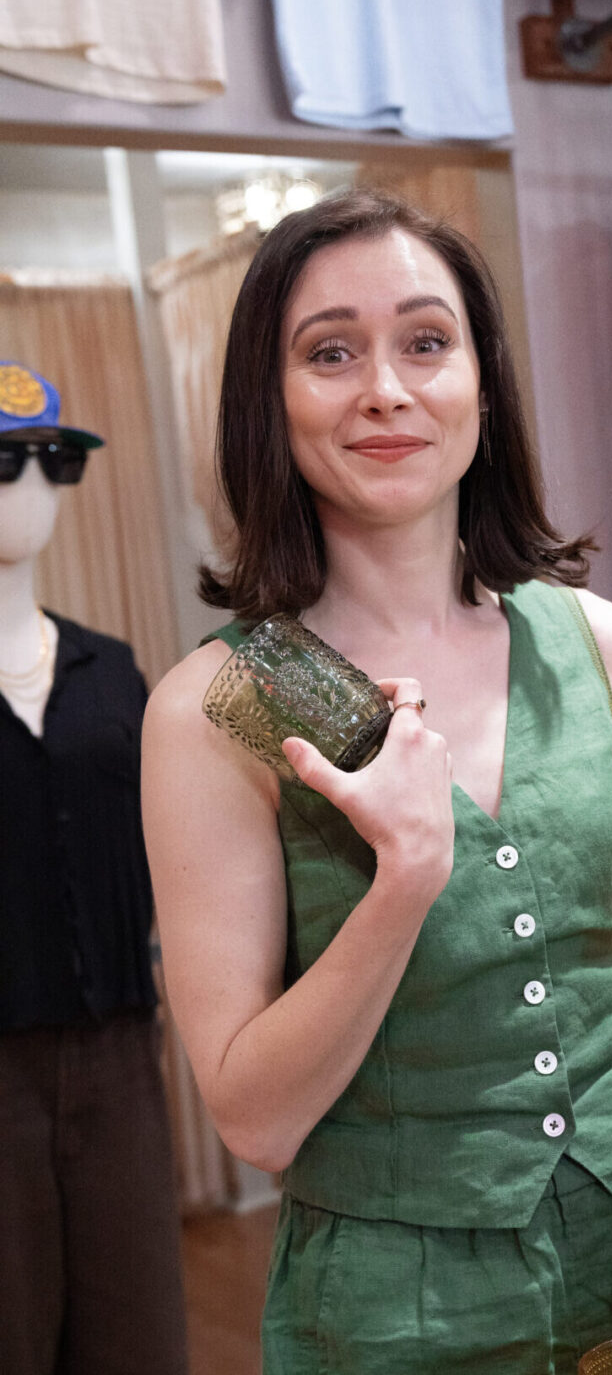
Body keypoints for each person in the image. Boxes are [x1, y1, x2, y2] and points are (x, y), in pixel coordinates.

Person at [142, 189, 612, 1374]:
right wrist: (403, 880)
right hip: (402, 1315)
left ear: (482, 387)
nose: (386, 389)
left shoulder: (599, 642)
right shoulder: (219, 707)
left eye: (426, 342)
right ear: (272, 401)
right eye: (330, 352)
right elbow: (252, 1118)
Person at [0, 362, 188, 1375]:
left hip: (120, 1055)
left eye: (52, 461)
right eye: (2, 459)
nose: (28, 485)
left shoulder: (111, 670)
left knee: (139, 1336)